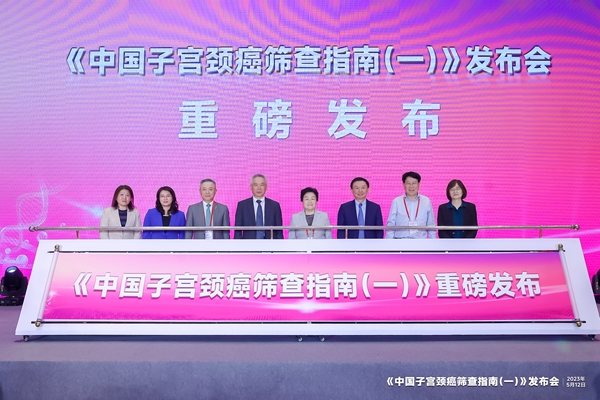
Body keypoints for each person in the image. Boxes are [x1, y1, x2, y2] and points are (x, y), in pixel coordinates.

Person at [386, 171, 435, 239]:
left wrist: (433, 242)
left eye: (414, 183)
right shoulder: (396, 201)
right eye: (408, 183)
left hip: (420, 241)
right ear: (404, 184)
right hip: (400, 241)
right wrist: (389, 242)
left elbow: (431, 225)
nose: (411, 186)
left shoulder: (426, 201)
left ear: (419, 184)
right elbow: (391, 224)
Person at [234, 174, 283, 239]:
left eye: (262, 185)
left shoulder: (275, 206)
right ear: (251, 187)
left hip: (270, 244)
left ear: (266, 187)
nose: (259, 188)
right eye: (256, 185)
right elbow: (237, 231)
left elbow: (279, 231)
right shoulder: (242, 205)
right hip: (248, 244)